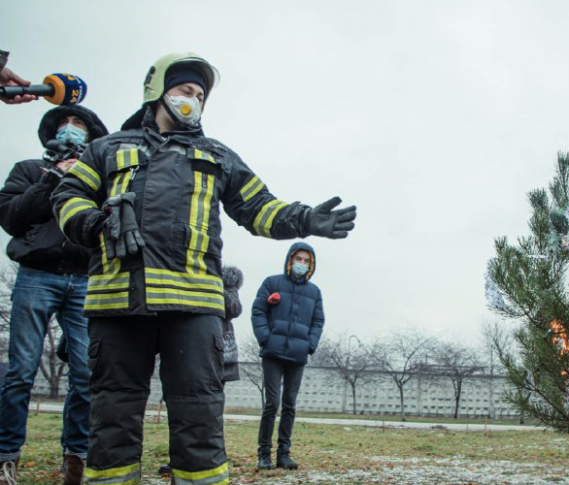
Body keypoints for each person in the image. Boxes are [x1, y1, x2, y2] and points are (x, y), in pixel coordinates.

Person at [51, 52, 356, 485]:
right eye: (184, 90)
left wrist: (304, 218)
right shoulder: (107, 148)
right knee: (112, 418)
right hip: (118, 300)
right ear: (157, 91)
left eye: (199, 95)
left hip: (193, 303)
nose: (192, 100)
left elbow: (258, 207)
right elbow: (67, 196)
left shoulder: (218, 156)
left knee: (200, 417)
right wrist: (95, 222)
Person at [0, 105, 109, 485]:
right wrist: (50, 181)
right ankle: (6, 455)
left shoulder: (98, 177)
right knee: (21, 371)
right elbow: (11, 218)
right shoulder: (29, 169)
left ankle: (75, 457)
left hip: (83, 279)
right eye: (65, 123)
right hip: (37, 275)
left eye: (80, 123)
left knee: (85, 371)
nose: (71, 128)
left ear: (92, 135)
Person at [157, 264, 243, 476]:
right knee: (180, 410)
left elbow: (234, 309)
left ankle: (211, 459)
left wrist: (212, 285)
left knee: (210, 412)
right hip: (187, 349)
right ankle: (178, 458)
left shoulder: (227, 284)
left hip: (217, 355)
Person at [252, 242, 325, 471]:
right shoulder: (271, 282)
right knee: (272, 403)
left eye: (306, 261)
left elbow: (317, 321)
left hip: (298, 355)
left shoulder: (314, 292)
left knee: (289, 405)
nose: (301, 264)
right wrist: (266, 338)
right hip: (273, 353)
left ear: (311, 265)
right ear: (290, 259)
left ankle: (284, 454)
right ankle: (264, 453)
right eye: (298, 259)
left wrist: (309, 345)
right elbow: (258, 311)